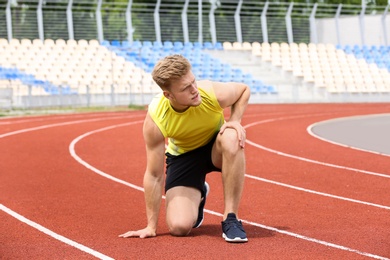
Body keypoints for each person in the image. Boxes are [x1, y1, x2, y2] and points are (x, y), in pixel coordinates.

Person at [119, 54, 250, 243]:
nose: (194, 90)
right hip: (184, 157)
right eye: (185, 88)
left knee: (232, 136)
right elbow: (154, 175)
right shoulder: (156, 117)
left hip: (216, 147)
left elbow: (243, 90)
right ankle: (199, 192)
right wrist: (151, 226)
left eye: (193, 81)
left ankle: (231, 218)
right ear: (168, 95)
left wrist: (235, 120)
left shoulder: (209, 92)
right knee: (179, 227)